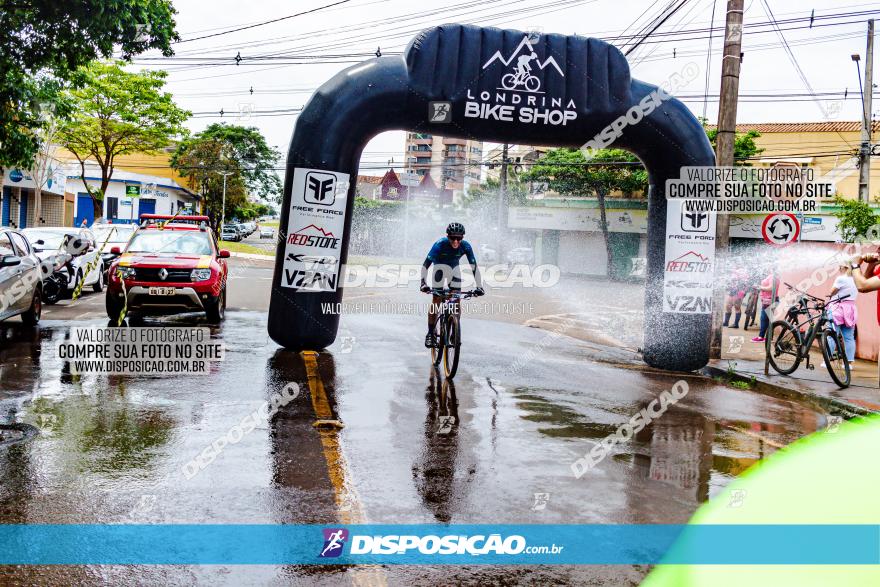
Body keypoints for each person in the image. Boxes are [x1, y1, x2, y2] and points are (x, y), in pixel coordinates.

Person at [420, 222, 484, 348]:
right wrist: (423, 283)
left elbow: (474, 267)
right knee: (436, 300)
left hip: (454, 271)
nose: (455, 241)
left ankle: (455, 328)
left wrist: (479, 286)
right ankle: (430, 333)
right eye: (453, 238)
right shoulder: (440, 244)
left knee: (456, 300)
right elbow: (426, 265)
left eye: (459, 238)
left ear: (462, 238)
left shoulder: (466, 246)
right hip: (439, 270)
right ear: (447, 236)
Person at [827, 263, 858, 364]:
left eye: (839, 266)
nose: (838, 268)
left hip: (838, 308)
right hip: (851, 309)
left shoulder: (841, 278)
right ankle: (849, 364)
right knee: (849, 337)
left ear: (843, 267)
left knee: (832, 335)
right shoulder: (856, 279)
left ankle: (827, 360)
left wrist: (829, 295)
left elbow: (832, 292)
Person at [751, 265, 779, 343]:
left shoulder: (773, 277)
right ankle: (768, 337)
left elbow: (771, 288)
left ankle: (761, 337)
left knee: (764, 319)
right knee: (767, 319)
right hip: (769, 300)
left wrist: (759, 287)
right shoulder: (772, 276)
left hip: (770, 300)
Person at [723, 261, 748, 329]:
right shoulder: (734, 271)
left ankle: (736, 324)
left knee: (737, 307)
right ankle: (726, 322)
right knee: (728, 306)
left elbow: (744, 283)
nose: (735, 264)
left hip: (738, 292)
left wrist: (742, 293)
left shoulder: (742, 272)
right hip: (732, 291)